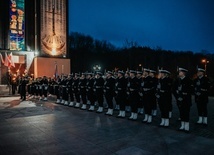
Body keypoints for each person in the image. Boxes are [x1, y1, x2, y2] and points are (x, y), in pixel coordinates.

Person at [174, 68, 192, 132]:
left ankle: (186, 127)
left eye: (180, 72)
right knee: (181, 113)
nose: (179, 73)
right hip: (179, 99)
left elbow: (190, 90)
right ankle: (182, 126)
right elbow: (174, 89)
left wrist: (184, 94)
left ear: (183, 73)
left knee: (186, 113)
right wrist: (177, 96)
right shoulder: (177, 80)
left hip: (186, 100)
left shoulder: (188, 80)